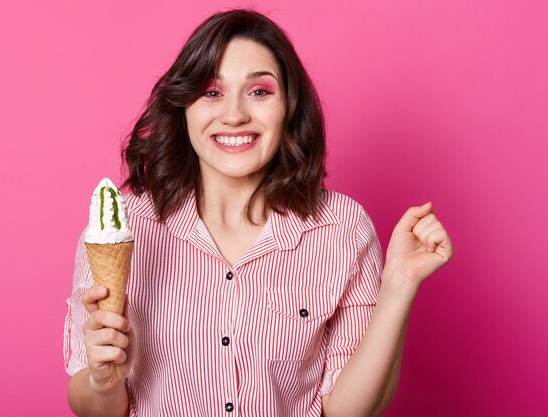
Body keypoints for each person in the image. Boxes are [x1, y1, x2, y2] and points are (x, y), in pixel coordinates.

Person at [63, 8, 454, 417]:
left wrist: (398, 285)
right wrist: (102, 380)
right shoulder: (124, 229)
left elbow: (348, 411)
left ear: (289, 108)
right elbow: (93, 407)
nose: (234, 115)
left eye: (259, 92)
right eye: (211, 92)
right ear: (184, 108)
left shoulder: (342, 229)